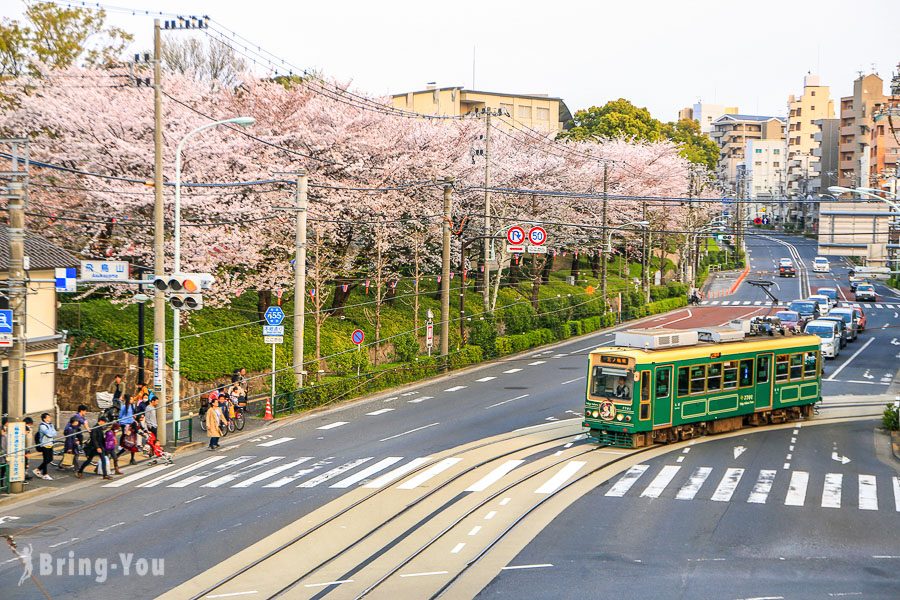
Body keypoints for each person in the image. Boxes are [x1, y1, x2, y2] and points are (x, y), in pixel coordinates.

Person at [34, 413, 57, 481]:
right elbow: (49, 434)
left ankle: (38, 469)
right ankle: (45, 474)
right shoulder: (42, 426)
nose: (50, 418)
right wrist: (52, 432)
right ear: (44, 419)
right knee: (46, 459)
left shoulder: (51, 425)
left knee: (50, 459)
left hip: (50, 443)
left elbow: (55, 433)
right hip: (44, 444)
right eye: (48, 417)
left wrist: (52, 432)